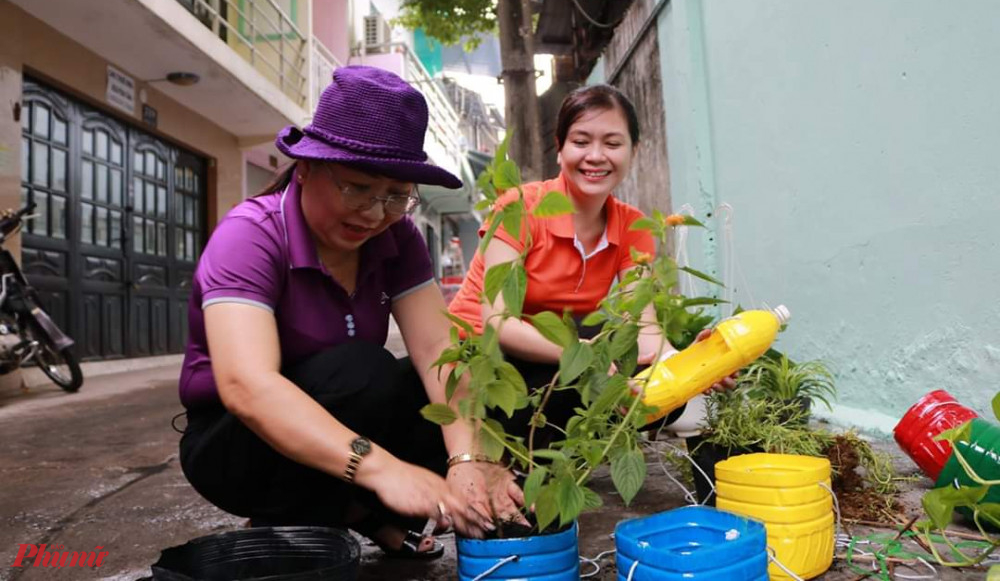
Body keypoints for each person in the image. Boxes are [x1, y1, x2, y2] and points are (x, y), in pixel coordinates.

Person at [178, 66, 521, 560]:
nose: (375, 212)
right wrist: (382, 468)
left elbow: (436, 348)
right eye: (358, 188)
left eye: (396, 196)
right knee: (363, 371)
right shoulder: (250, 235)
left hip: (338, 416)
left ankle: (356, 514)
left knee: (458, 398)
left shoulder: (397, 237)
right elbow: (246, 386)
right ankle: (290, 519)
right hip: (233, 444)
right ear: (306, 168)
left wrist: (470, 457)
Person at [448, 85, 725, 444]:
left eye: (612, 144)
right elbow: (498, 323)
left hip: (550, 357)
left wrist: (691, 363)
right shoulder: (519, 207)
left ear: (633, 151)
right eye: (581, 142)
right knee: (585, 376)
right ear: (560, 148)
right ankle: (508, 454)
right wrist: (583, 354)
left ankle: (538, 454)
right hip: (479, 358)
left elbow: (644, 329)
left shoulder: (632, 226)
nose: (596, 156)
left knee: (658, 395)